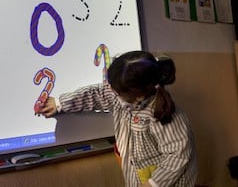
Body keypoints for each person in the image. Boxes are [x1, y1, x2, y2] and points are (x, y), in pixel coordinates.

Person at [38, 50, 197, 187]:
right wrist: (60, 103)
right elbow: (96, 94)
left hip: (166, 182)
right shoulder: (122, 92)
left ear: (138, 96)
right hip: (138, 177)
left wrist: (153, 184)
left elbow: (178, 155)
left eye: (116, 92)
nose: (110, 93)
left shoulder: (162, 113)